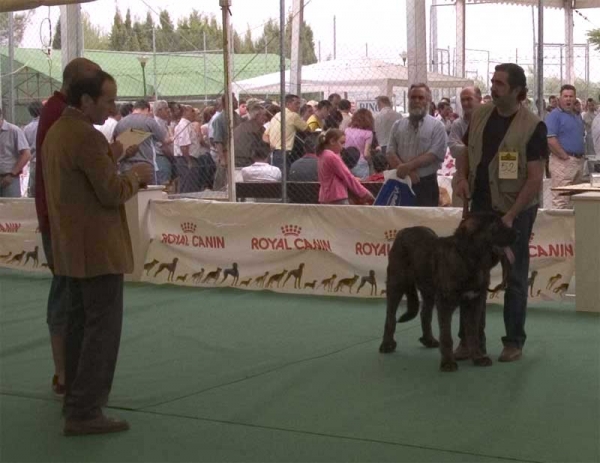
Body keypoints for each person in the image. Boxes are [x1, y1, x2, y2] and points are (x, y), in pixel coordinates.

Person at [42, 70, 154, 435]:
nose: (112, 107)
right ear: (86, 100)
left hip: (71, 248)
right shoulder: (86, 137)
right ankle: (86, 410)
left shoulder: (58, 132)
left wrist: (114, 152)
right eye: (107, 100)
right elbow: (109, 191)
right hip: (98, 250)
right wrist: (136, 176)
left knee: (77, 328)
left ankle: (75, 402)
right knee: (101, 332)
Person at [454, 63, 547, 363]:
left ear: (518, 91)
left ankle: (513, 341)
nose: (493, 87)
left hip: (515, 211)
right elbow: (466, 152)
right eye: (492, 82)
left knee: (515, 275)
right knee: (469, 274)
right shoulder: (479, 114)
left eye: (500, 84)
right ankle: (470, 341)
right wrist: (462, 178)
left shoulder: (533, 126)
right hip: (480, 207)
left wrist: (511, 215)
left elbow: (535, 179)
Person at [35, 58, 102, 397]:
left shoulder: (57, 114)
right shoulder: (60, 116)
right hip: (61, 220)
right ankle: (64, 374)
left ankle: (66, 373)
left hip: (60, 217)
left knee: (68, 294)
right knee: (65, 296)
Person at [386, 83, 448, 207]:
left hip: (426, 184)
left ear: (429, 101)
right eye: (413, 97)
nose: (416, 101)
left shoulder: (437, 126)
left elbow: (434, 154)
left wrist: (407, 167)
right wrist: (407, 173)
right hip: (401, 181)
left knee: (425, 222)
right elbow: (390, 151)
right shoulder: (398, 125)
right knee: (400, 221)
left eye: (421, 98)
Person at [546, 84, 585, 209]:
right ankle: (559, 228)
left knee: (575, 200)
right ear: (560, 98)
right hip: (562, 162)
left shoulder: (576, 115)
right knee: (561, 200)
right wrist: (564, 156)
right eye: (565, 96)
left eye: (571, 96)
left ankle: (573, 228)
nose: (568, 99)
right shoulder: (554, 115)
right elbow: (550, 139)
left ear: (575, 98)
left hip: (578, 162)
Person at [113, 99, 169, 185]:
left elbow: (115, 143)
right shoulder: (149, 121)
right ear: (147, 109)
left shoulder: (120, 123)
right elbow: (163, 139)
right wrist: (171, 138)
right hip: (146, 167)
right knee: (148, 194)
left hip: (125, 167)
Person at [316, 129, 374, 205]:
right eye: (341, 143)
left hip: (325, 197)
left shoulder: (322, 155)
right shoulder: (332, 156)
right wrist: (364, 193)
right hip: (337, 197)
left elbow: (333, 176)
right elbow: (347, 176)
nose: (343, 147)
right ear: (332, 141)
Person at [448, 86, 482, 206]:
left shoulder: (487, 121)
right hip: (462, 175)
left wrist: (464, 148)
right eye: (462, 100)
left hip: (483, 176)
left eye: (469, 99)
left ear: (479, 99)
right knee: (459, 213)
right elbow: (453, 149)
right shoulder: (457, 124)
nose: (465, 103)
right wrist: (473, 149)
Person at [267, 94, 309, 174]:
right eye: (296, 103)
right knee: (285, 176)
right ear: (288, 104)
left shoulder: (277, 115)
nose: (298, 106)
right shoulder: (294, 116)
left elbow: (265, 135)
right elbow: (307, 129)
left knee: (276, 176)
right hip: (286, 152)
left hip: (273, 152)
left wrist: (271, 144)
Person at [212, 94, 242, 190]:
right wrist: (222, 158)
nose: (236, 102)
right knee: (222, 181)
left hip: (238, 154)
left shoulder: (237, 117)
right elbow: (218, 141)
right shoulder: (219, 119)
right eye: (234, 100)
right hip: (226, 154)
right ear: (226, 103)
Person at [0, 108, 31, 198]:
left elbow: (26, 154)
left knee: (11, 207)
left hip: (9, 179)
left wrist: (12, 174)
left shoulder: (14, 131)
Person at [234, 104, 270, 169]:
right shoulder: (255, 129)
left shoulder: (243, 126)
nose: (266, 118)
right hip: (247, 162)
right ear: (256, 116)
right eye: (263, 115)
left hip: (240, 161)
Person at [345, 108, 377, 179]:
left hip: (347, 161)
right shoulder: (368, 133)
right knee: (363, 185)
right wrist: (370, 162)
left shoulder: (347, 130)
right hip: (360, 162)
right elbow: (366, 154)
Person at [23, 101, 44, 197]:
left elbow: (25, 147)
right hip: (47, 160)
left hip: (34, 162)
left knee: (34, 189)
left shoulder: (27, 128)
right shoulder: (49, 124)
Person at [153, 100, 174, 186]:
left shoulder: (163, 123)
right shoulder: (158, 124)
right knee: (164, 183)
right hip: (161, 157)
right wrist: (172, 158)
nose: (168, 110)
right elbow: (162, 145)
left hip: (163, 156)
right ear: (159, 111)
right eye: (166, 108)